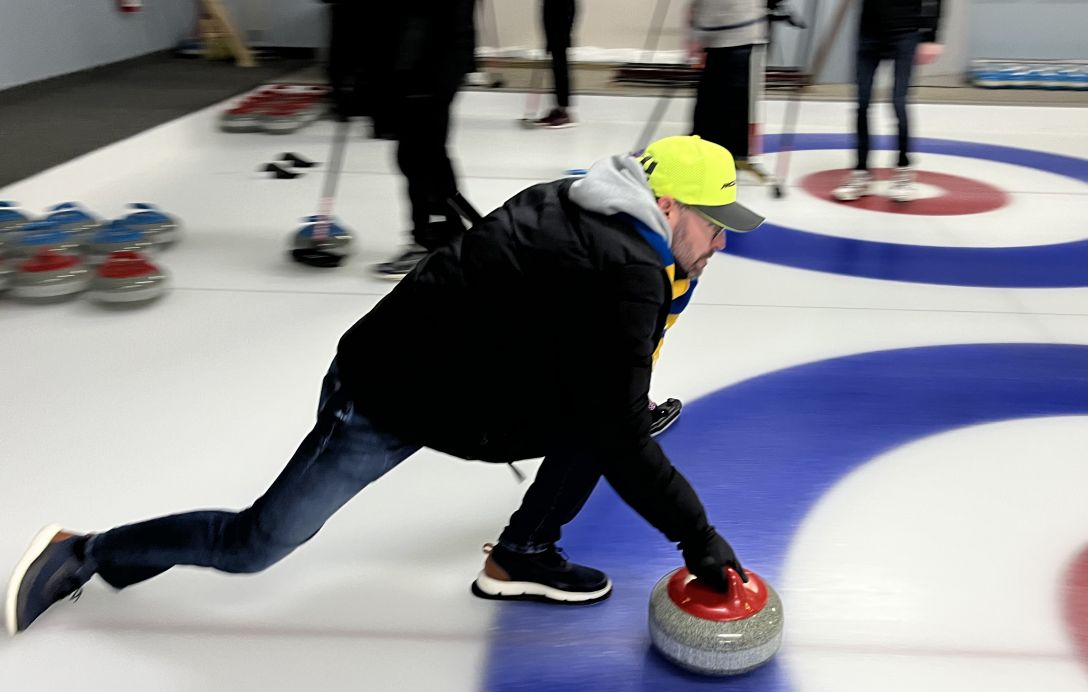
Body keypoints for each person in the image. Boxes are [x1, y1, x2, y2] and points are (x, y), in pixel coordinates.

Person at [6, 135, 765, 635]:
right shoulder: (628, 268)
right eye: (714, 223)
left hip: (460, 385)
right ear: (667, 206)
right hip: (383, 396)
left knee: (600, 424)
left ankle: (522, 553)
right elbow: (615, 409)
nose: (722, 240)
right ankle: (87, 551)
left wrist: (615, 399)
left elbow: (572, 338)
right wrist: (698, 540)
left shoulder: (589, 204)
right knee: (257, 543)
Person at [323, 1, 480, 278]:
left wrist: (437, 76)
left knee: (421, 155)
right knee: (420, 156)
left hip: (428, 67)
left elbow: (451, 23)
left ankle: (438, 239)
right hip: (407, 67)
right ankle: (450, 234)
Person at [832, 0, 944, 203]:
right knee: (862, 103)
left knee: (898, 102)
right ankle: (861, 172)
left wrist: (931, 35)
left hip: (905, 33)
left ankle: (903, 170)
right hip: (868, 32)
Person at [686, 0, 769, 165]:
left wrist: (697, 35)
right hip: (719, 33)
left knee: (727, 103)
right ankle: (720, 153)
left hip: (736, 31)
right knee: (711, 102)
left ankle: (725, 156)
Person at [532, 0, 578, 128]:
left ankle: (563, 110)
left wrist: (564, 33)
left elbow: (569, 9)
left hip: (560, 23)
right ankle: (559, 108)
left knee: (560, 67)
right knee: (556, 67)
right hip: (553, 22)